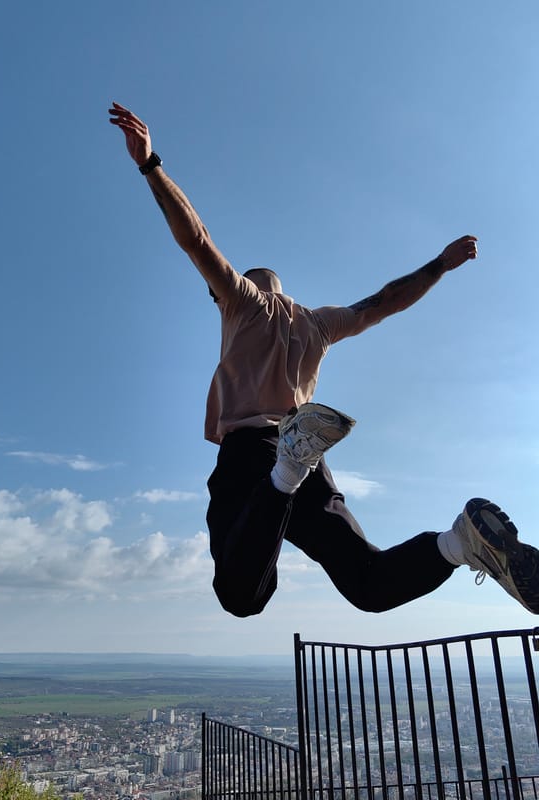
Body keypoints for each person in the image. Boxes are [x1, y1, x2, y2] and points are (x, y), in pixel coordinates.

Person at [109, 101, 539, 618]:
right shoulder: (317, 324)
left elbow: (196, 240)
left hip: (251, 450)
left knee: (242, 596)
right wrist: (440, 265)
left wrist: (150, 165)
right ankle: (457, 543)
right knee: (370, 584)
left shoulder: (241, 301)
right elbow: (383, 301)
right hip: (308, 450)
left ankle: (285, 473)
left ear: (244, 286)